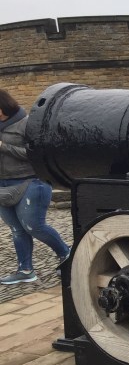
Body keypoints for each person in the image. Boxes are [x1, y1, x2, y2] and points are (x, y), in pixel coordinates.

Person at [0, 88, 70, 285]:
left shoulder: (27, 124)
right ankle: (25, 270)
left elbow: (36, 154)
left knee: (34, 226)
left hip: (31, 182)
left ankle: (67, 254)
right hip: (3, 185)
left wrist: (4, 147)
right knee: (17, 229)